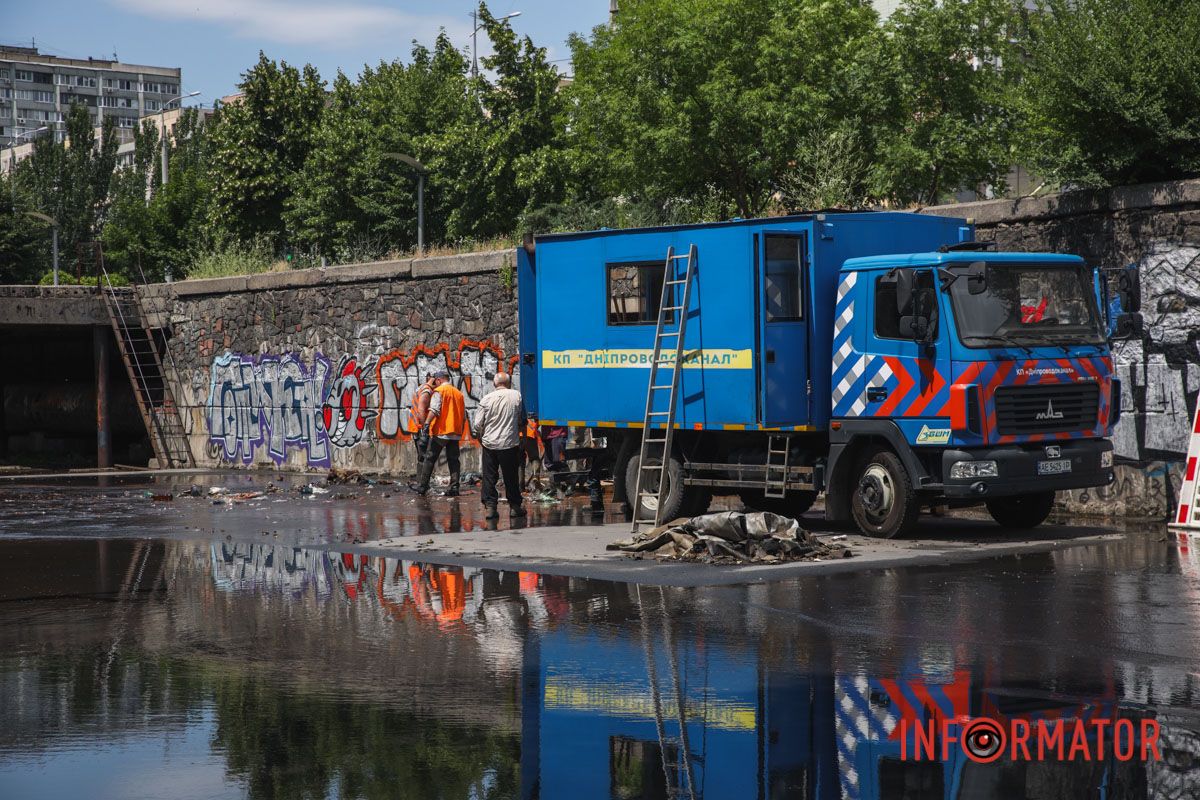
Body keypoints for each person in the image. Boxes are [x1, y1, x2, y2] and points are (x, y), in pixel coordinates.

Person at [472, 372, 527, 519]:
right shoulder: (517, 396)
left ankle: (490, 508)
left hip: (490, 444)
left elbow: (477, 425)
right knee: (511, 477)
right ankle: (515, 507)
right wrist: (523, 438)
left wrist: (481, 439)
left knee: (489, 477)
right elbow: (522, 420)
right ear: (509, 383)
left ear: (494, 384)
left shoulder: (486, 399)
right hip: (509, 443)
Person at [413, 370, 466, 496]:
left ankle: (422, 487)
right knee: (454, 460)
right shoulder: (459, 394)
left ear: (438, 380)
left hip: (441, 431)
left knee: (429, 458)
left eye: (435, 382)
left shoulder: (439, 391)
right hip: (455, 432)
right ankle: (454, 487)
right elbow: (464, 416)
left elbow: (434, 409)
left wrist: (426, 424)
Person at [408, 373, 437, 469]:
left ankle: (421, 481)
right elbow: (421, 410)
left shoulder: (420, 388)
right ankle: (422, 482)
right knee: (424, 457)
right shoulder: (427, 391)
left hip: (415, 426)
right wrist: (426, 428)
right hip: (420, 427)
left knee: (421, 456)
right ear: (435, 381)